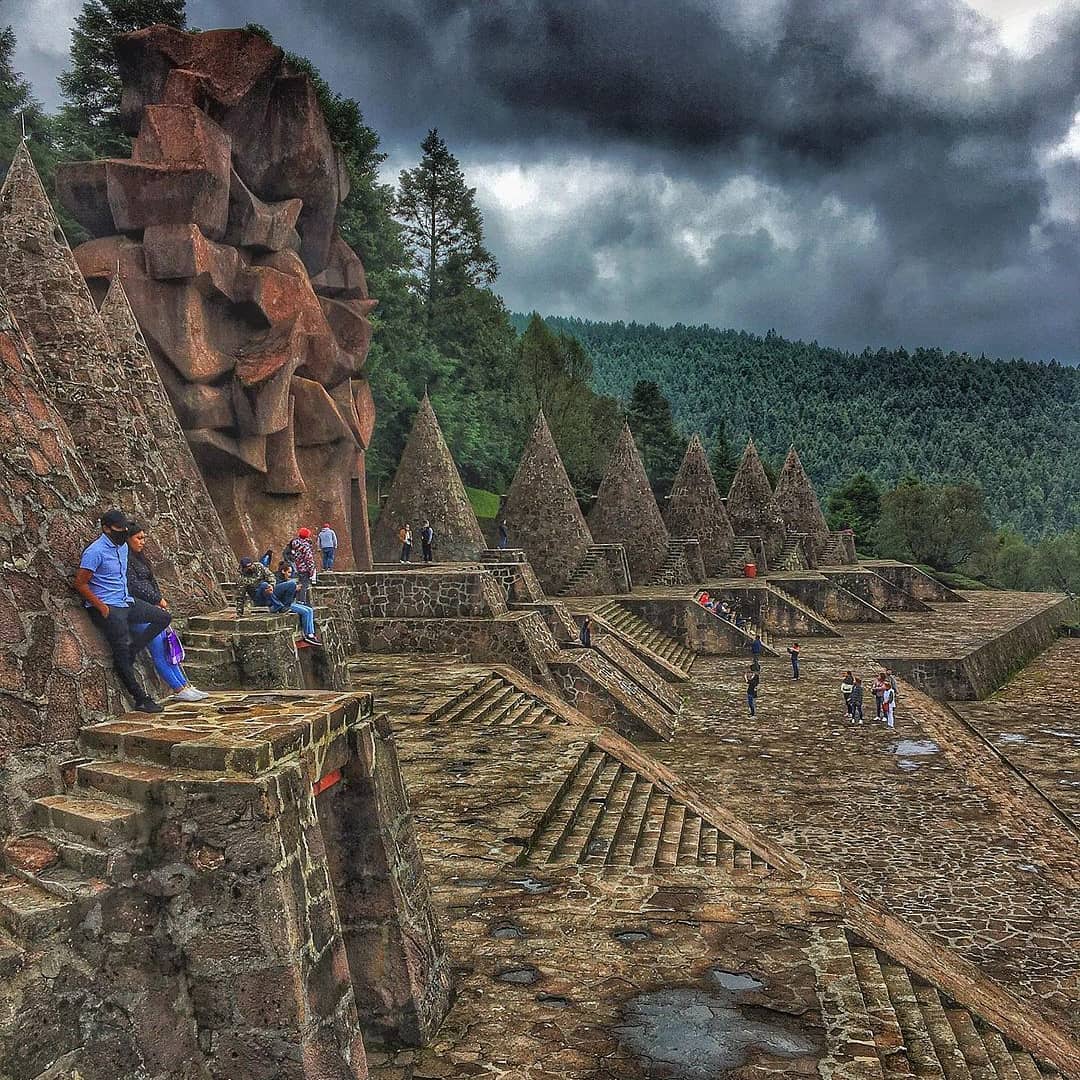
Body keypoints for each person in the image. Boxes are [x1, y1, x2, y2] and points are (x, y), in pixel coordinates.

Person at [75, 508, 171, 713]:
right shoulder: (95, 552)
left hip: (126, 601)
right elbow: (81, 584)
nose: (124, 532)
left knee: (163, 618)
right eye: (119, 529)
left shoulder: (123, 547)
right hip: (108, 606)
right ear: (106, 529)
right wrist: (102, 608)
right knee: (120, 653)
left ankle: (133, 650)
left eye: (125, 528)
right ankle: (140, 698)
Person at [126, 525, 209, 703]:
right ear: (128, 538)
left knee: (168, 649)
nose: (142, 542)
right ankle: (178, 688)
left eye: (143, 538)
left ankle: (184, 684)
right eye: (138, 538)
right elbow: (134, 586)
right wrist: (157, 599)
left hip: (153, 611)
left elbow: (151, 583)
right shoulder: (124, 559)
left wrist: (158, 600)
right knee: (158, 650)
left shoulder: (140, 559)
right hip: (139, 612)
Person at [236, 557, 321, 645]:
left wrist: (272, 586)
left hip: (271, 592)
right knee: (264, 584)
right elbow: (240, 597)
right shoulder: (242, 578)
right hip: (259, 597)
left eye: (250, 566)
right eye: (247, 567)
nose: (250, 568)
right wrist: (239, 613)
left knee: (293, 587)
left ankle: (286, 608)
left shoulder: (259, 567)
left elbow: (270, 576)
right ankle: (280, 607)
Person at [287, 528, 317, 602]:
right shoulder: (305, 546)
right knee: (304, 586)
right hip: (305, 569)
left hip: (298, 568)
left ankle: (298, 601)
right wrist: (311, 570)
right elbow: (309, 559)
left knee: (299, 586)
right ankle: (302, 602)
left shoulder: (295, 544)